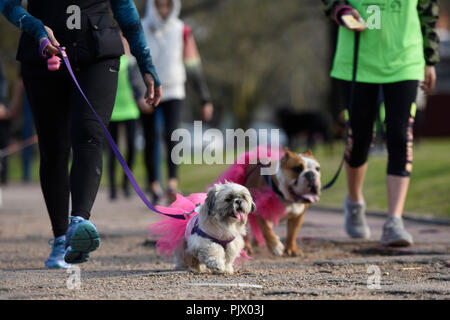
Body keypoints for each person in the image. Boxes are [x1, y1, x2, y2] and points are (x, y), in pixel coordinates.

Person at [0, 0, 162, 268]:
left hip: (98, 54)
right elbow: (8, 4)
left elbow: (126, 11)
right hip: (41, 54)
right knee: (54, 148)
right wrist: (36, 27)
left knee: (89, 135)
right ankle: (61, 238)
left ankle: (79, 224)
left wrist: (146, 63)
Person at [323, 0, 439, 246]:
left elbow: (427, 11)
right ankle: (354, 202)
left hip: (404, 59)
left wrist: (430, 58)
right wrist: (340, 10)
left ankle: (394, 221)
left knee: (399, 134)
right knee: (360, 138)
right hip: (356, 59)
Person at [141, 0, 214, 203]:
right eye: (159, 5)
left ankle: (172, 182)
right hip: (147, 90)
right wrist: (138, 92)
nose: (163, 10)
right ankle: (154, 184)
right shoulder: (140, 27)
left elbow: (193, 65)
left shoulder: (182, 30)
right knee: (150, 138)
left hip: (173, 89)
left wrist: (205, 99)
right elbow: (130, 61)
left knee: (172, 135)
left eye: (166, 5)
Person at [107, 33, 147, 200]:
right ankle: (112, 188)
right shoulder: (109, 59)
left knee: (131, 147)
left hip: (130, 109)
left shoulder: (132, 61)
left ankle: (125, 183)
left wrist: (142, 98)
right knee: (112, 150)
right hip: (112, 110)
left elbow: (138, 83)